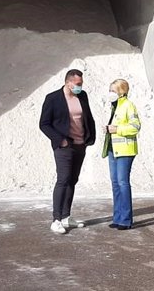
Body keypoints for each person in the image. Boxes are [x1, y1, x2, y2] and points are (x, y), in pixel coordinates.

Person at [39, 69, 96, 234]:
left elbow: (88, 117)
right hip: (64, 146)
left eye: (81, 84)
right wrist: (60, 140)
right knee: (63, 180)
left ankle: (66, 216)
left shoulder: (82, 96)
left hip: (80, 145)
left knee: (72, 180)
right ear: (68, 82)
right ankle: (56, 219)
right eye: (77, 84)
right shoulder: (53, 98)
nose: (80, 87)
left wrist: (89, 138)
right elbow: (44, 124)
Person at [102, 79, 141, 230]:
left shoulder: (128, 105)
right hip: (113, 149)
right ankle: (117, 217)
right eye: (110, 90)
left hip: (125, 150)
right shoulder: (115, 106)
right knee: (115, 184)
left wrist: (116, 129)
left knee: (123, 183)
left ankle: (125, 219)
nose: (111, 93)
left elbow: (135, 127)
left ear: (122, 91)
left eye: (113, 90)